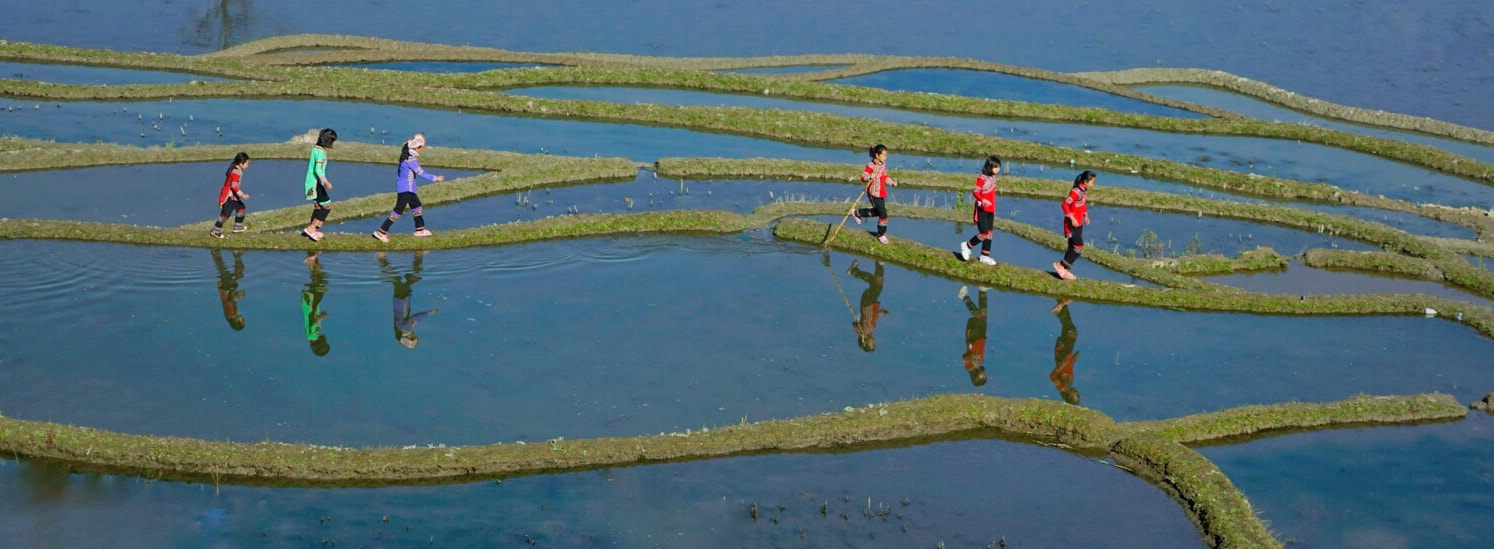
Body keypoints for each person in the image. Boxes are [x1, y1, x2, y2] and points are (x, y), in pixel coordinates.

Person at [372, 133, 446, 242]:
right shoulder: (411, 160)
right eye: (420, 148)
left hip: (408, 190)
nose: (421, 150)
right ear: (416, 148)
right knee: (397, 211)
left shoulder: (405, 158)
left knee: (417, 207)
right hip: (405, 190)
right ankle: (381, 232)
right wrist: (436, 178)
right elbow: (421, 172)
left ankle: (419, 229)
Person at [378, 251, 439, 348]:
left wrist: (429, 313)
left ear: (411, 337)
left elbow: (415, 318)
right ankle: (383, 259)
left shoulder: (406, 329)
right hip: (400, 301)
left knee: (404, 278)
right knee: (399, 280)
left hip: (402, 300)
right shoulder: (401, 329)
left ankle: (382, 258)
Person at [1053, 170, 1097, 280]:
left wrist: (1085, 216)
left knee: (1072, 247)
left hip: (1079, 223)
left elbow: (1082, 205)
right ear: (1085, 181)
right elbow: (1065, 204)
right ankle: (1061, 265)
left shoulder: (1084, 191)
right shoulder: (1076, 192)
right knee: (1079, 247)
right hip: (1072, 224)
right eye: (1092, 182)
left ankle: (1065, 270)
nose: (1093, 184)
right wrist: (1072, 218)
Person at [958, 155, 1001, 265]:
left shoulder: (993, 178)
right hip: (982, 209)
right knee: (984, 233)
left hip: (991, 210)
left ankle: (984, 256)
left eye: (999, 167)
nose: (998, 169)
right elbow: (975, 192)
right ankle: (967, 245)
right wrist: (983, 200)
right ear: (989, 167)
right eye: (995, 167)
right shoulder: (982, 178)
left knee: (990, 233)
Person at [851, 144, 898, 244]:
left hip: (881, 192)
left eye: (886, 155)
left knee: (878, 212)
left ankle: (857, 213)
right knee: (883, 214)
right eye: (884, 155)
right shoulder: (870, 165)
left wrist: (891, 182)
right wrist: (869, 176)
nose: (886, 157)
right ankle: (881, 234)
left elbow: (884, 176)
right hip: (873, 193)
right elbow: (863, 177)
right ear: (877, 155)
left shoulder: (883, 164)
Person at [300, 128, 338, 242]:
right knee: (327, 206)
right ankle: (312, 228)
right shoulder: (321, 152)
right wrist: (326, 181)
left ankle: (312, 232)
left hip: (310, 183)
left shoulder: (315, 148)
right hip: (316, 183)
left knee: (317, 206)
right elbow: (318, 169)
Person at [847, 259, 889, 352]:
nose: (874, 341)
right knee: (876, 283)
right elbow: (874, 316)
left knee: (878, 285)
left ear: (865, 342)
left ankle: (878, 265)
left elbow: (854, 325)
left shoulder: (862, 331)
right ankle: (876, 265)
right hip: (871, 304)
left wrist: (860, 332)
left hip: (867, 304)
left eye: (872, 343)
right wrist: (882, 312)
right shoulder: (871, 330)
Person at [210, 152, 251, 238]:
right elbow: (234, 187)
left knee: (241, 209)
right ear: (241, 163)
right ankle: (215, 230)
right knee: (225, 215)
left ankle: (238, 227)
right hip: (229, 198)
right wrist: (242, 195)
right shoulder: (236, 172)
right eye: (247, 163)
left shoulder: (236, 170)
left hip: (233, 197)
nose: (248, 166)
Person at [1050, 299, 1080, 405]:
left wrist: (1060, 367)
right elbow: (1069, 367)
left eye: (1074, 394)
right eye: (1078, 393)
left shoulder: (1062, 387)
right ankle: (1061, 302)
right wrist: (1074, 359)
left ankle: (1058, 311)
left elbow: (1052, 376)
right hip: (1068, 354)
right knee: (1069, 329)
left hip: (1062, 354)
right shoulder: (1070, 383)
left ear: (1068, 396)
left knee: (1072, 332)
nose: (1076, 391)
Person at [958, 285, 989, 386]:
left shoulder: (969, 367)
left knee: (979, 316)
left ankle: (964, 297)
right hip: (981, 338)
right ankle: (982, 291)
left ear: (976, 377)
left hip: (973, 338)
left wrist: (972, 357)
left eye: (982, 377)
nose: (984, 375)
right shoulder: (980, 364)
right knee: (983, 315)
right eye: (984, 376)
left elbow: (964, 356)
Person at [301, 251, 330, 356]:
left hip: (311, 305)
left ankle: (311, 262)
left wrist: (322, 317)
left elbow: (314, 322)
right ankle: (313, 258)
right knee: (316, 284)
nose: (326, 340)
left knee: (319, 284)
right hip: (311, 305)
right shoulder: (311, 337)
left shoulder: (313, 336)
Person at [211, 249, 246, 331]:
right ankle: (235, 256)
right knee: (231, 272)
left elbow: (229, 301)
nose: (243, 319)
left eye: (242, 321)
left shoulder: (231, 314)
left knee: (223, 270)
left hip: (226, 290)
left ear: (237, 321)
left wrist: (238, 296)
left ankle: (217, 253)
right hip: (226, 290)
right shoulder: (229, 315)